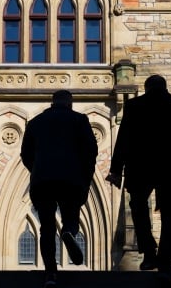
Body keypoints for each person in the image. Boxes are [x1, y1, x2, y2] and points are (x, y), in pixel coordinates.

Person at [106, 75, 171, 278]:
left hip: (140, 167)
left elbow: (123, 141)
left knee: (139, 208)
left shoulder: (134, 106)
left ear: (147, 88)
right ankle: (167, 262)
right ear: (165, 87)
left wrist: (116, 170)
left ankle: (149, 252)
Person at [21, 90, 98, 287]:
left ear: (52, 102)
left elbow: (25, 153)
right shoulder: (79, 120)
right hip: (70, 179)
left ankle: (50, 274)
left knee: (46, 227)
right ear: (70, 103)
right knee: (71, 217)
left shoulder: (36, 122)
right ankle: (68, 232)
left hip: (43, 180)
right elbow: (90, 151)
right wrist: (84, 178)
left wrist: (37, 170)